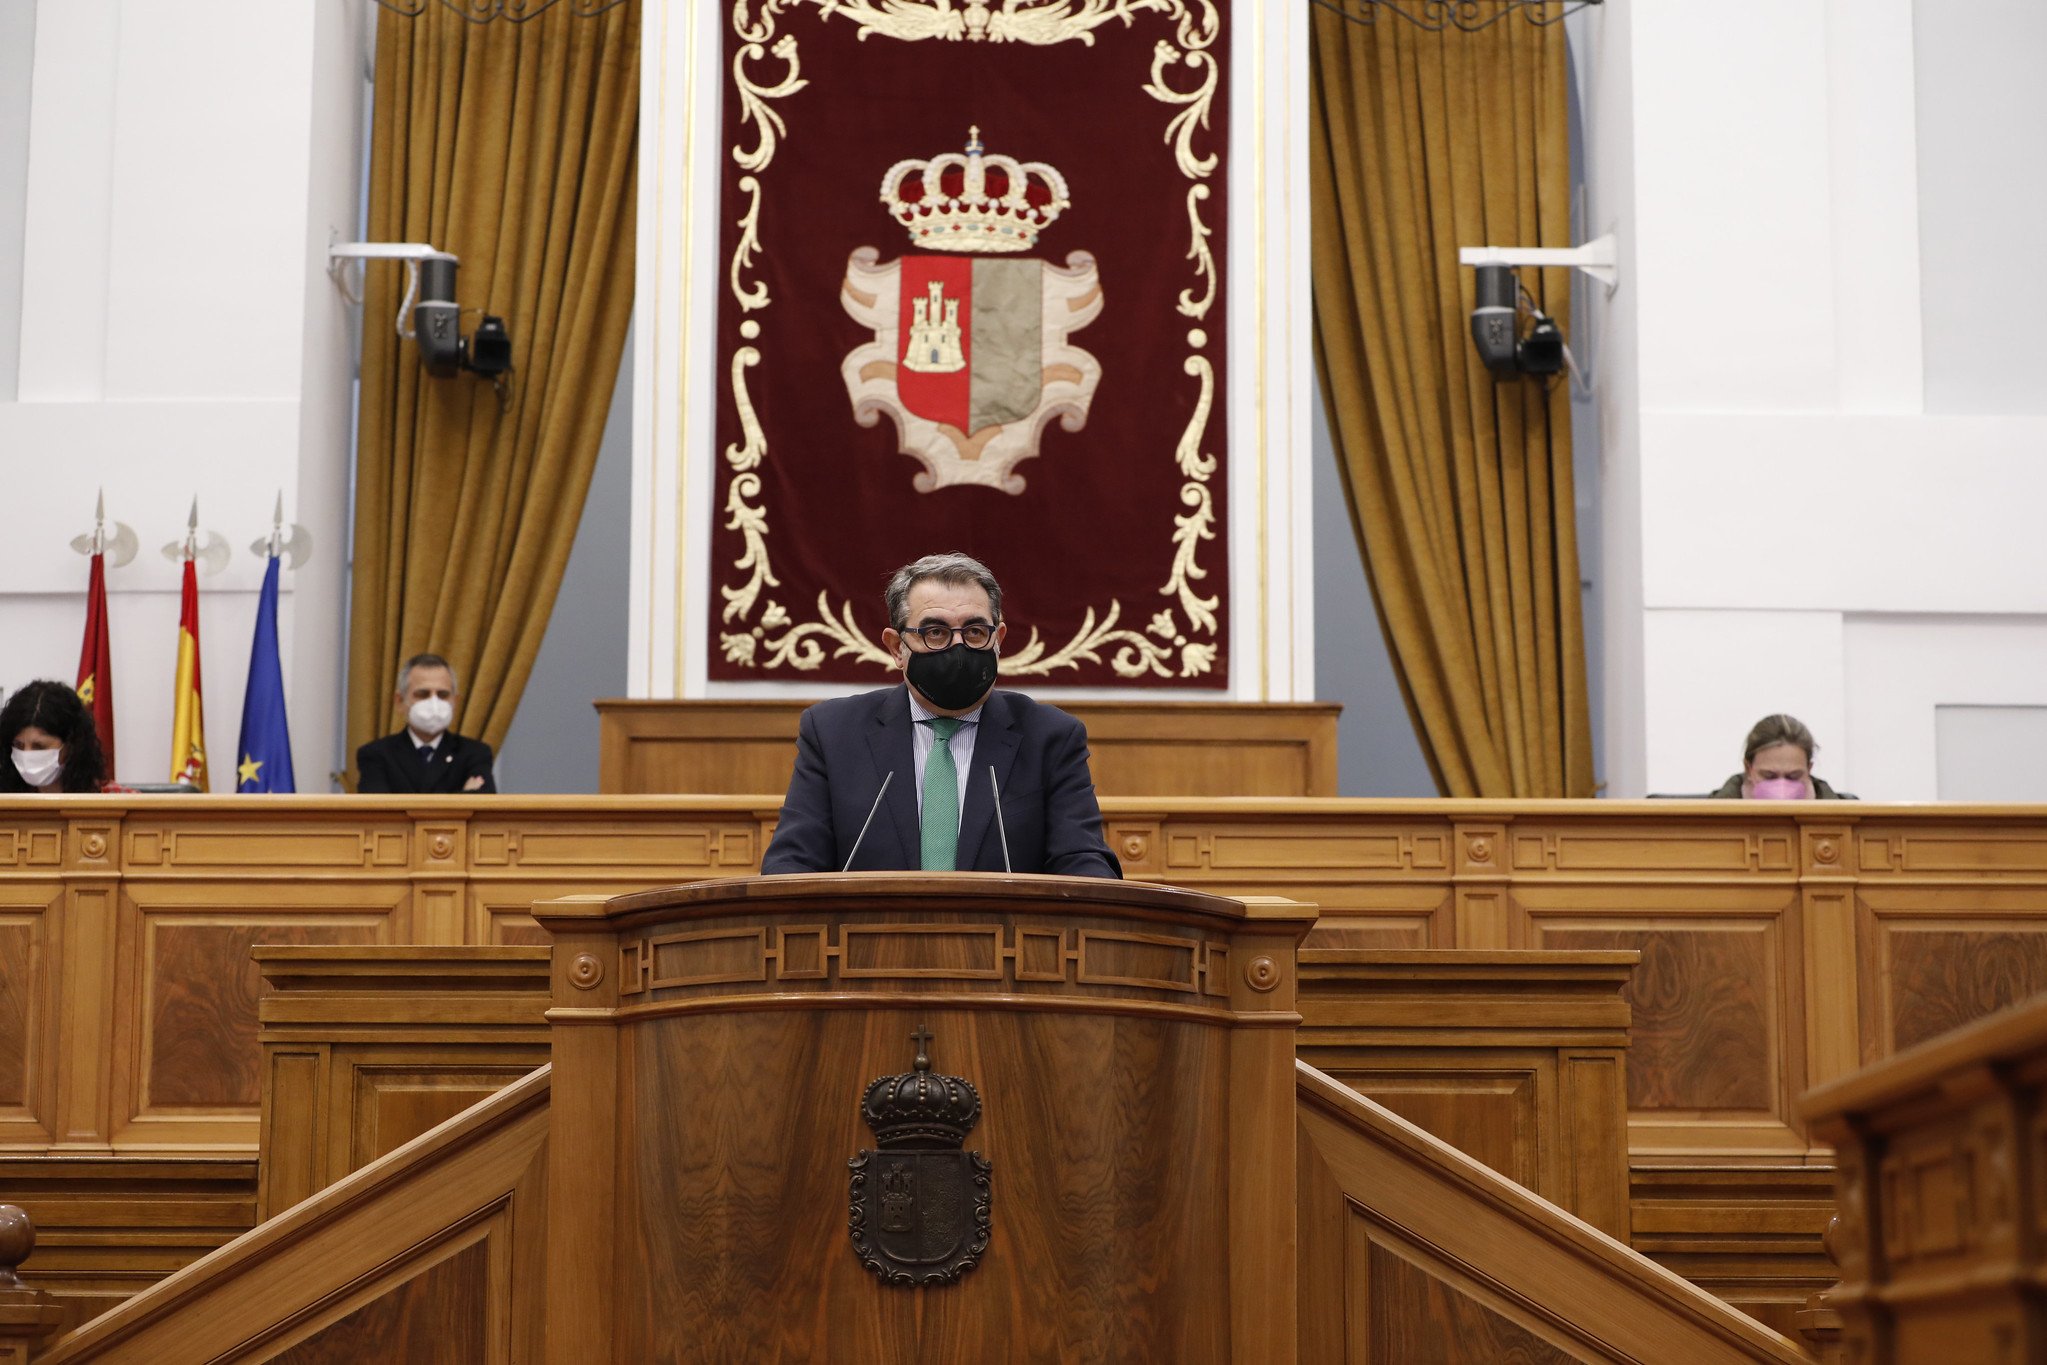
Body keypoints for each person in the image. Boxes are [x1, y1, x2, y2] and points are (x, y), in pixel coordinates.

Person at [762, 553, 1119, 877]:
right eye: (936, 632)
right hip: (869, 930)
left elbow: (1083, 863)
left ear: (998, 640)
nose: (958, 647)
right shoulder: (833, 732)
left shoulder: (1051, 737)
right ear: (897, 647)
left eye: (975, 632)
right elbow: (791, 864)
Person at [355, 654, 497, 794]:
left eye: (442, 695)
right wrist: (462, 797)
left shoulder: (475, 753)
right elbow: (377, 807)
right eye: (422, 694)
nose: (434, 703)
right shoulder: (376, 754)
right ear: (399, 701)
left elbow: (484, 803)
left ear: (455, 700)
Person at [1, 680, 125, 793]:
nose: (26, 755)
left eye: (39, 746)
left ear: (70, 745)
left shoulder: (115, 799)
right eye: (19, 745)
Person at [1709, 714, 1852, 800]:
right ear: (1748, 769)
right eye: (1769, 776)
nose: (1781, 787)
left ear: (1808, 770)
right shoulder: (1708, 819)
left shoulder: (1845, 817)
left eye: (1793, 777)